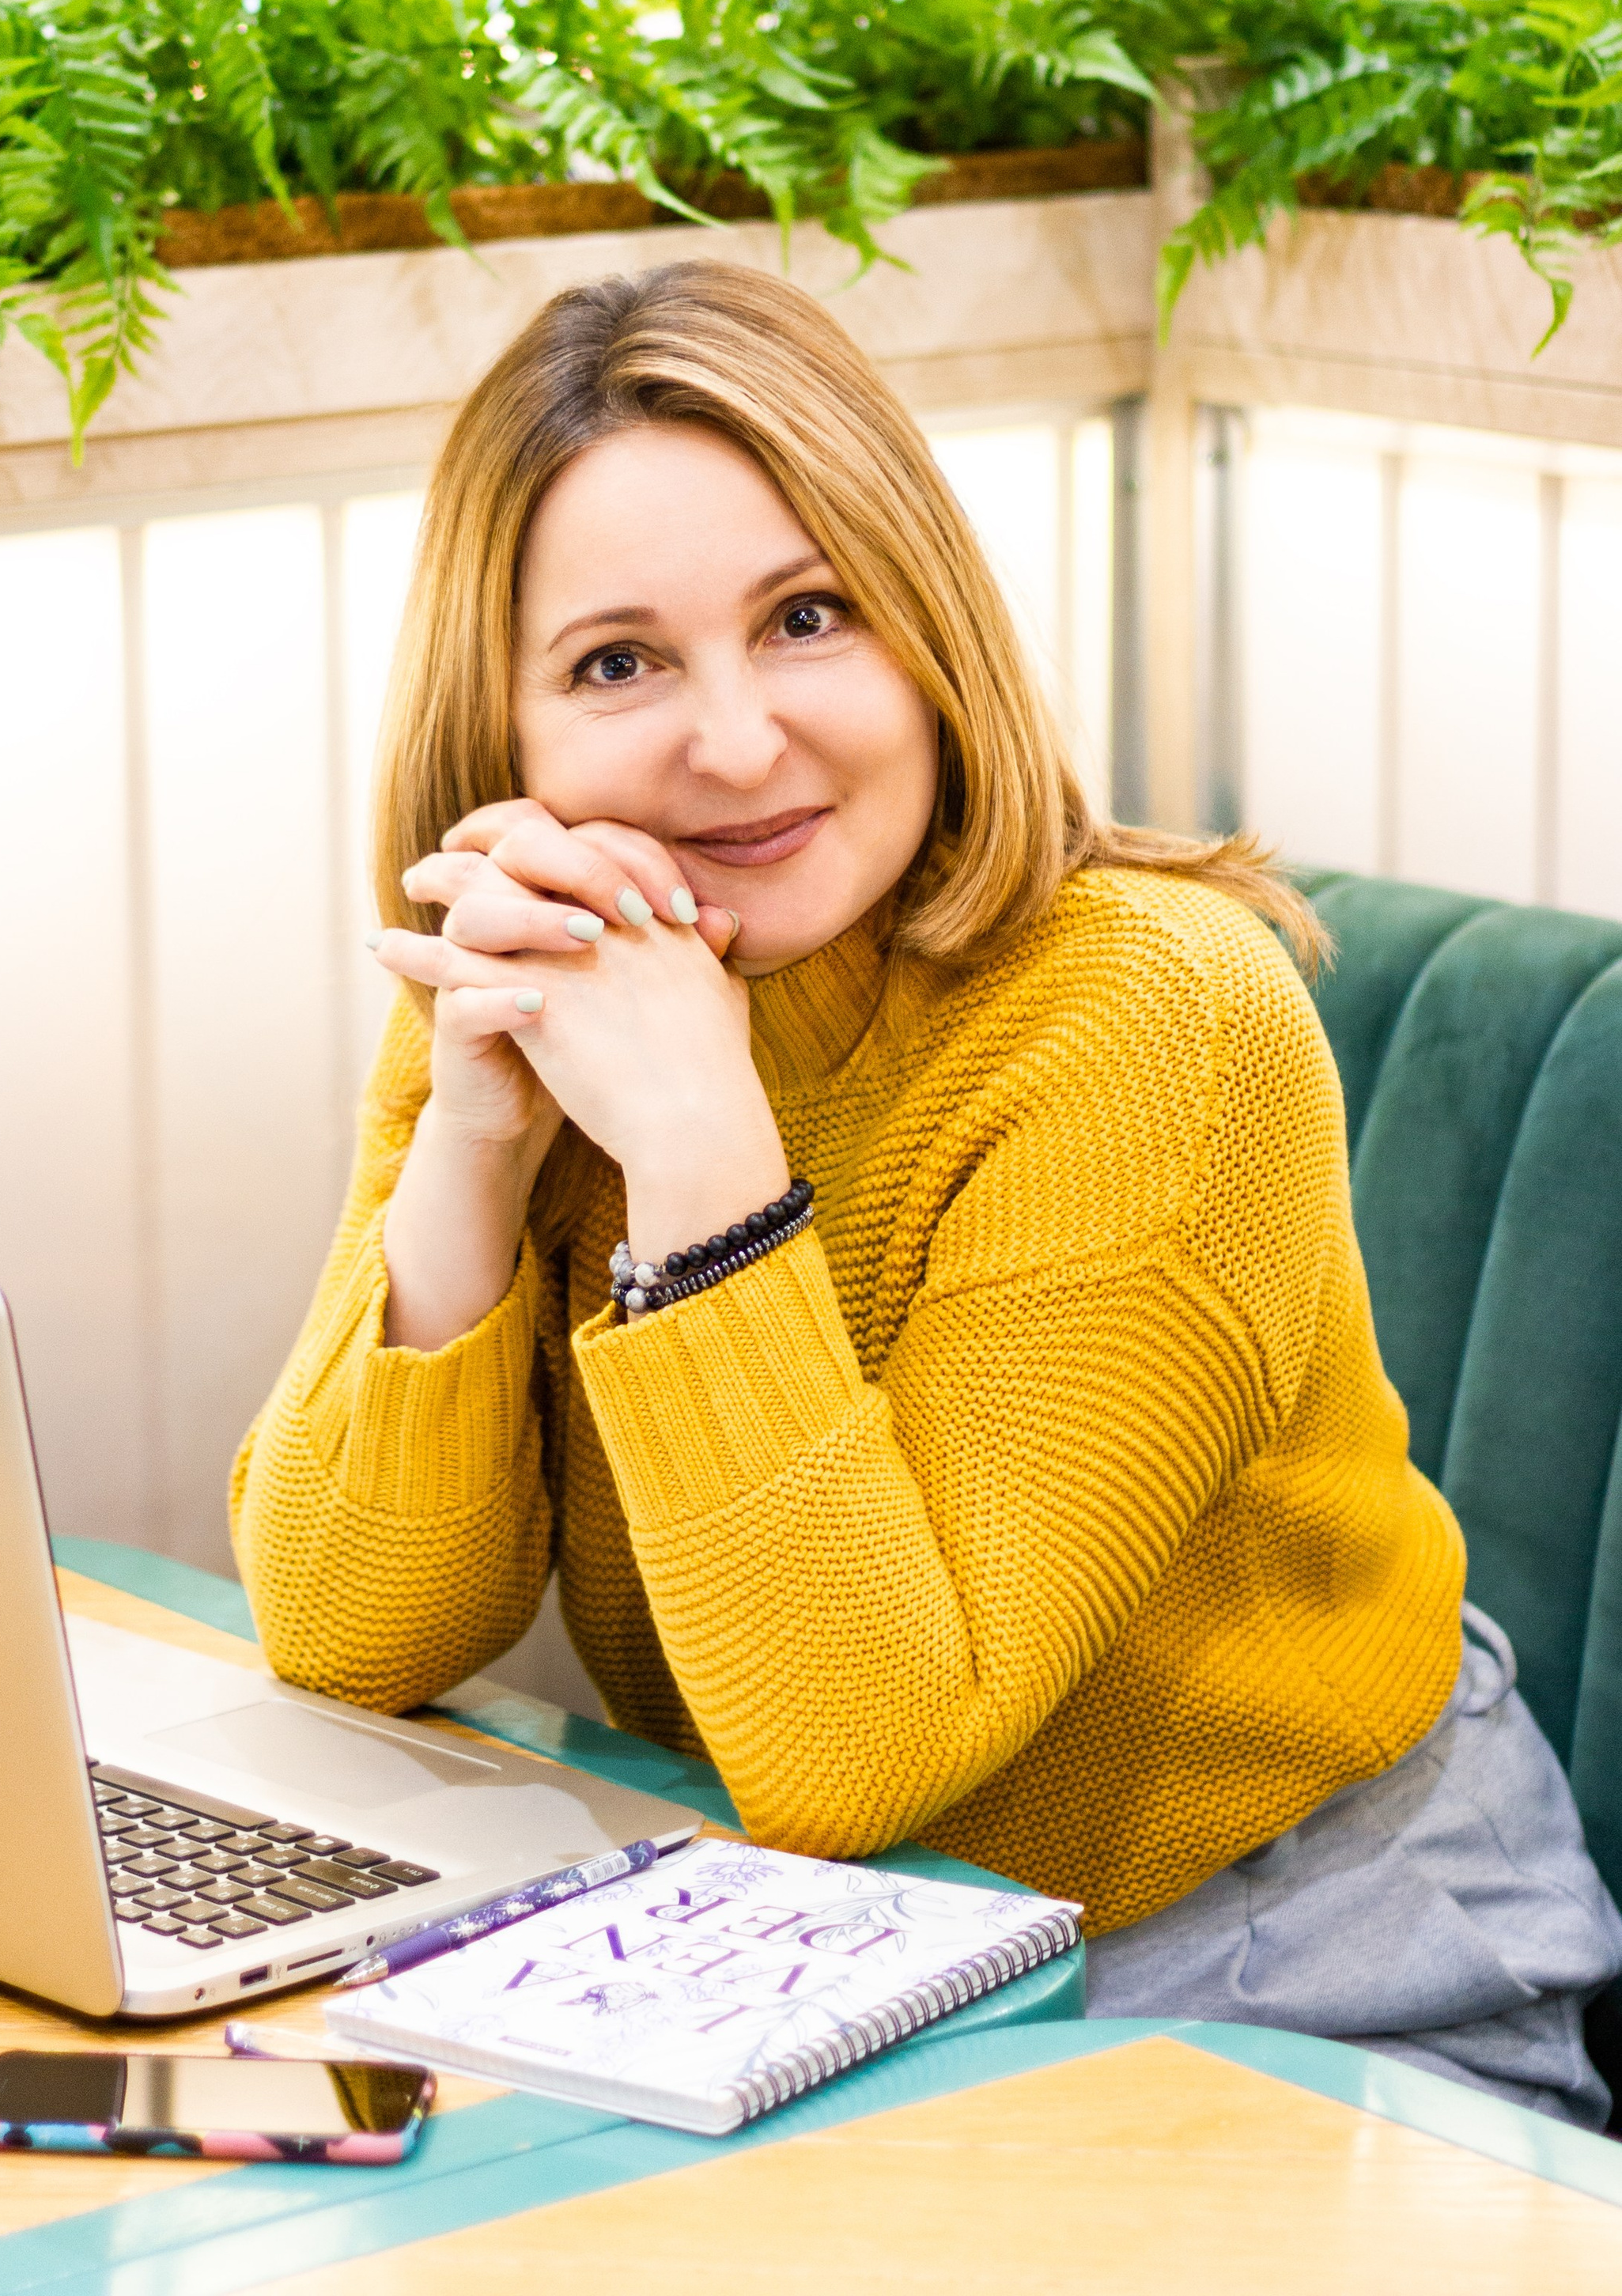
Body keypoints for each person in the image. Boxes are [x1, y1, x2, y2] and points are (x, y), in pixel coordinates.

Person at [230, 256, 1622, 2125]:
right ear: (506, 736)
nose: (736, 741)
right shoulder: (553, 986)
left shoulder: (1154, 1016)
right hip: (846, 1964)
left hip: (1304, 1983)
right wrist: (468, 1149)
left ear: (925, 628)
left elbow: (857, 1747)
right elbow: (350, 1633)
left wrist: (698, 1153)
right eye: (616, 662)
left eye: (807, 616)